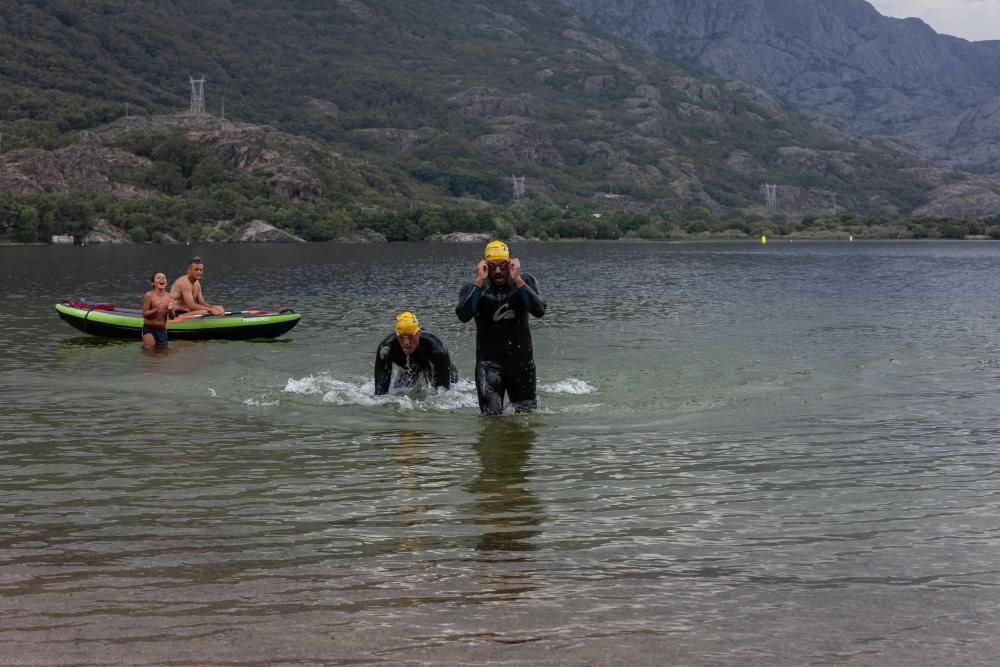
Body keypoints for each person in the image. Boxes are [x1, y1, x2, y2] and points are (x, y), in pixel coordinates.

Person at [455, 240, 546, 415]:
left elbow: (539, 310)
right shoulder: (474, 288)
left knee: (526, 418)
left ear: (511, 264)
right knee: (491, 419)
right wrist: (479, 281)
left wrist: (517, 280)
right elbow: (463, 315)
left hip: (522, 365)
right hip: (489, 366)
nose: (498, 271)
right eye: (492, 266)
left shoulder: (524, 282)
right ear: (484, 266)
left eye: (503, 266)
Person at [374, 311, 458, 395]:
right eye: (401, 337)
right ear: (397, 335)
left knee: (442, 394)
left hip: (436, 369)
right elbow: (379, 395)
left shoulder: (437, 348)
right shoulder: (386, 349)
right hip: (409, 370)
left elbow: (443, 397)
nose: (406, 342)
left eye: (410, 336)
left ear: (418, 333)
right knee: (398, 393)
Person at [141, 271, 175, 348]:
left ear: (166, 283)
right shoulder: (149, 295)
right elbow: (144, 314)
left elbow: (173, 317)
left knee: (162, 354)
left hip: (162, 329)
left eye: (163, 278)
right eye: (158, 278)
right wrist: (155, 310)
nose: (161, 279)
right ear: (153, 283)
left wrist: (170, 310)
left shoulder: (170, 297)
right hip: (149, 328)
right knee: (149, 350)